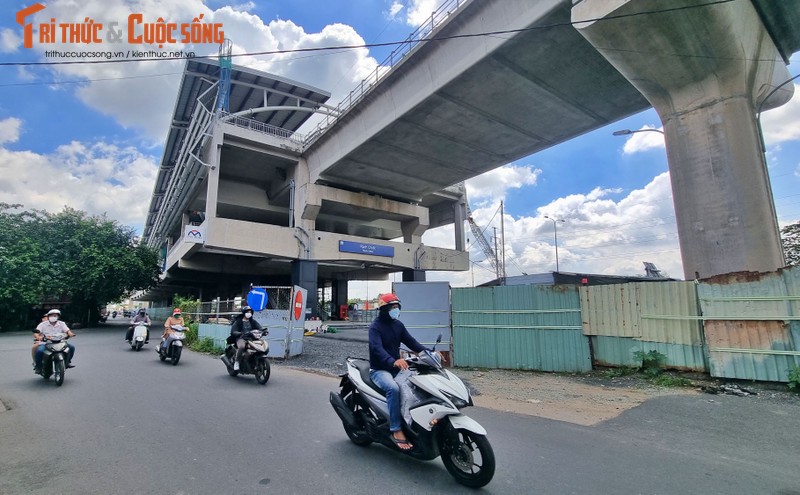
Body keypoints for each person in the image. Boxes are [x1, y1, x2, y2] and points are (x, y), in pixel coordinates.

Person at [368, 293, 426, 451]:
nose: (396, 310)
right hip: (380, 369)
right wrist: (392, 361)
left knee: (418, 386)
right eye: (392, 307)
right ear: (384, 309)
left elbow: (411, 341)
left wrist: (428, 353)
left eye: (397, 307)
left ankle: (415, 422)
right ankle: (396, 429)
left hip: (398, 368)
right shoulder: (375, 327)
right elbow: (377, 348)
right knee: (393, 389)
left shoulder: (398, 325)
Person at [33, 309, 76, 373]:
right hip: (46, 343)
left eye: (55, 315)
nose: (53, 317)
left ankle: (68, 362)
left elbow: (67, 331)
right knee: (39, 351)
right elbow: (36, 333)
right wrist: (38, 337)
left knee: (71, 347)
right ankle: (38, 367)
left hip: (59, 342)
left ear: (58, 317)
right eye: (51, 315)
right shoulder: (42, 324)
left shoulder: (61, 323)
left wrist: (70, 334)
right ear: (48, 316)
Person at [229, 305, 264, 371]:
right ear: (244, 313)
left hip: (252, 339)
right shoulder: (238, 321)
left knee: (261, 345)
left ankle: (252, 360)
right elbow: (233, 331)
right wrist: (240, 333)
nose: (249, 313)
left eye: (250, 312)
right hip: (241, 338)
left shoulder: (252, 321)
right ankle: (237, 362)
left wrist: (263, 331)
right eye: (248, 312)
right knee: (242, 347)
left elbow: (259, 327)